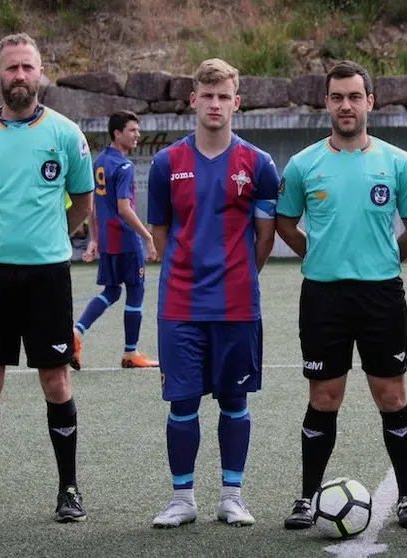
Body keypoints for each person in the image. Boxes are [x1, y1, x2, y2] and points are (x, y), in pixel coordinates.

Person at [0, 33, 94, 523]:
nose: (19, 76)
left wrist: (45, 239)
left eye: (27, 68)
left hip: (47, 277)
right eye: (11, 68)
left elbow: (83, 203)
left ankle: (69, 490)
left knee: (55, 380)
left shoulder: (68, 135)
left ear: (41, 73)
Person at [277, 60, 407, 530]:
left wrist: (384, 259)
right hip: (323, 297)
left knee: (391, 393)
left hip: (382, 295)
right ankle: (305, 498)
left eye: (355, 96)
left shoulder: (397, 162)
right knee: (325, 396)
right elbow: (285, 222)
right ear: (326, 103)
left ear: (370, 102)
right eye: (338, 97)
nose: (346, 105)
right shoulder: (303, 164)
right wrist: (318, 253)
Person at [147, 58, 279, 528]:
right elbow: (160, 233)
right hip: (180, 304)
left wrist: (240, 273)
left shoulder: (259, 164)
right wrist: (185, 269)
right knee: (182, 402)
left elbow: (264, 238)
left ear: (236, 103)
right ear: (193, 101)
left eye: (224, 96)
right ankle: (182, 499)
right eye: (208, 96)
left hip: (237, 303)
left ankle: (232, 495)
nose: (216, 104)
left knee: (234, 400)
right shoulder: (166, 164)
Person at [71, 110, 159, 370]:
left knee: (111, 291)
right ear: (117, 133)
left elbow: (95, 205)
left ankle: (76, 334)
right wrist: (148, 237)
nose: (137, 135)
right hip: (125, 239)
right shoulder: (124, 165)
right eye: (132, 130)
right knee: (136, 289)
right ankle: (130, 353)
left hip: (109, 239)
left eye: (137, 130)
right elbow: (123, 207)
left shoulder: (100, 162)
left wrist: (95, 239)